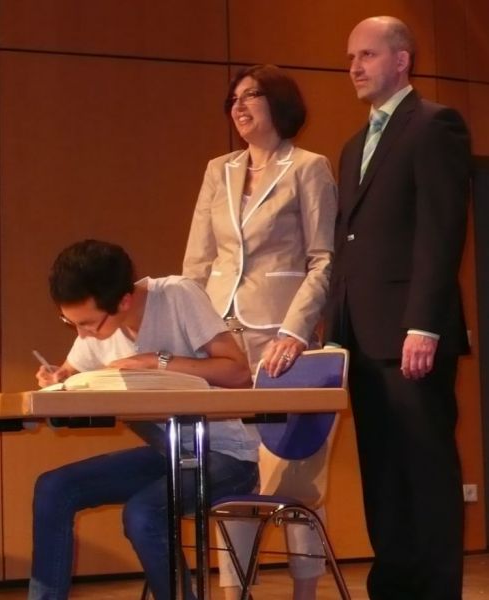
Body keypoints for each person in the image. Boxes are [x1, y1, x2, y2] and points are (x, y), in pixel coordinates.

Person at [324, 16, 472, 600]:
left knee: (425, 472)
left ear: (402, 60)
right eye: (350, 58)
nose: (355, 67)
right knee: (383, 474)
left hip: (411, 333)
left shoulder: (434, 125)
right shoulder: (352, 145)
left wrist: (423, 324)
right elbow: (348, 244)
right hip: (362, 337)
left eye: (367, 55)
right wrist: (335, 331)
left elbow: (441, 231)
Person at [28, 239, 259, 600]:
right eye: (70, 323)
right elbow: (70, 373)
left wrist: (156, 362)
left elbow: (239, 373)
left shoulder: (177, 296)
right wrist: (57, 379)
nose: (82, 334)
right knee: (54, 488)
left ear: (123, 301)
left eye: (87, 324)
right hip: (169, 453)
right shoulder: (98, 325)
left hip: (225, 455)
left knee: (144, 513)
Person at [183, 65, 337, 600]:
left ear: (280, 103)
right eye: (234, 98)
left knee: (293, 475)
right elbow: (197, 262)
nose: (239, 105)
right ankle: (235, 593)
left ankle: (305, 594)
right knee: (233, 475)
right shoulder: (218, 170)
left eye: (251, 95)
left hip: (282, 342)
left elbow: (323, 260)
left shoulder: (309, 167)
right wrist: (189, 332)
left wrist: (295, 331)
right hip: (222, 342)